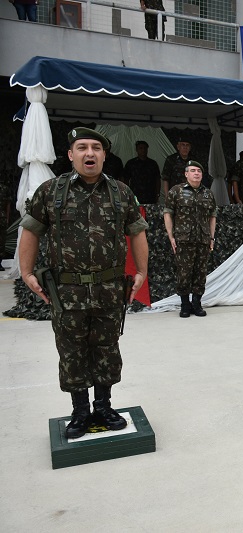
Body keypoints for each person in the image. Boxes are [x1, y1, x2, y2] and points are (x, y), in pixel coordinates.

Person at [19, 127, 149, 439]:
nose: (89, 153)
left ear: (104, 155)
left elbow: (138, 231)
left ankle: (103, 406)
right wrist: (26, 272)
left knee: (107, 348)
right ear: (70, 154)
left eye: (95, 148)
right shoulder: (51, 191)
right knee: (71, 351)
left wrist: (142, 272)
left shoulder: (121, 192)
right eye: (82, 147)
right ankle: (80, 411)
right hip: (67, 292)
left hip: (109, 289)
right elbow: (32, 230)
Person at [164, 160, 217, 318]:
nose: (196, 173)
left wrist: (212, 237)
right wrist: (171, 236)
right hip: (183, 239)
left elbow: (212, 217)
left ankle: (197, 303)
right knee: (184, 272)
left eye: (199, 171)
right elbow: (168, 213)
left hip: (203, 239)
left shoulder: (208, 193)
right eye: (193, 170)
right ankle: (185, 304)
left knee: (200, 273)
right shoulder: (176, 191)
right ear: (186, 174)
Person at [123, 140, 161, 204]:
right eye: (140, 148)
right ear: (137, 150)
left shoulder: (152, 164)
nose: (143, 150)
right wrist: (127, 193)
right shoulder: (131, 163)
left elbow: (157, 180)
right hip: (135, 195)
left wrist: (157, 194)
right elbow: (126, 179)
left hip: (150, 196)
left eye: (145, 148)